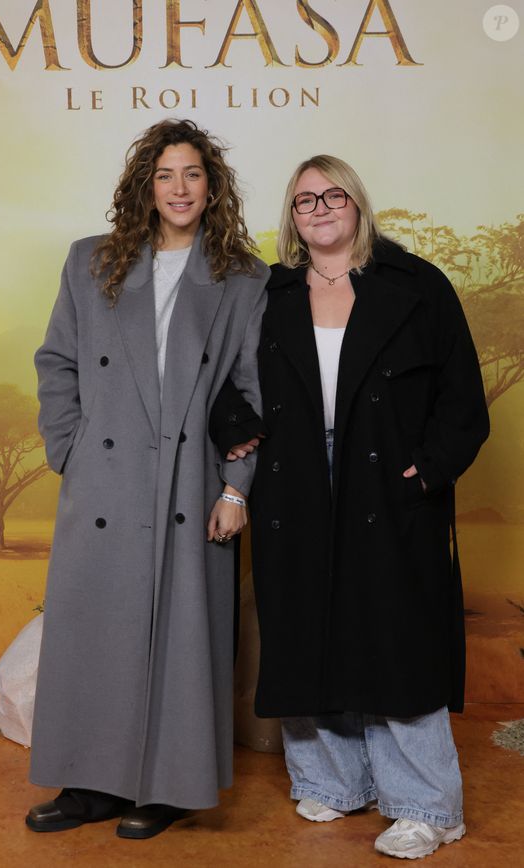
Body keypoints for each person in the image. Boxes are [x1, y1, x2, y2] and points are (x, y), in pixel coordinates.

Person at [210, 155, 489, 859]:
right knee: (306, 628)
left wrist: (426, 473)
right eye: (306, 200)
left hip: (388, 479)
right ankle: (334, 783)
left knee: (396, 638)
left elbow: (462, 400)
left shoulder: (417, 285)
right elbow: (220, 382)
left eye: (335, 195)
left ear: (357, 205)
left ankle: (426, 805)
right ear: (293, 219)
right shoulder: (266, 295)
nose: (322, 207)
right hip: (295, 479)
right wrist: (237, 435)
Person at [27, 119, 268, 839]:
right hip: (103, 478)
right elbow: (57, 361)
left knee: (182, 636)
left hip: (190, 484)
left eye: (193, 174)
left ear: (212, 185)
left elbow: (252, 391)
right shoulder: (89, 261)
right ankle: (90, 785)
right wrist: (68, 449)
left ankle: (169, 787)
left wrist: (236, 489)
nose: (179, 188)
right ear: (145, 185)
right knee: (93, 630)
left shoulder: (242, 277)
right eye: (165, 175)